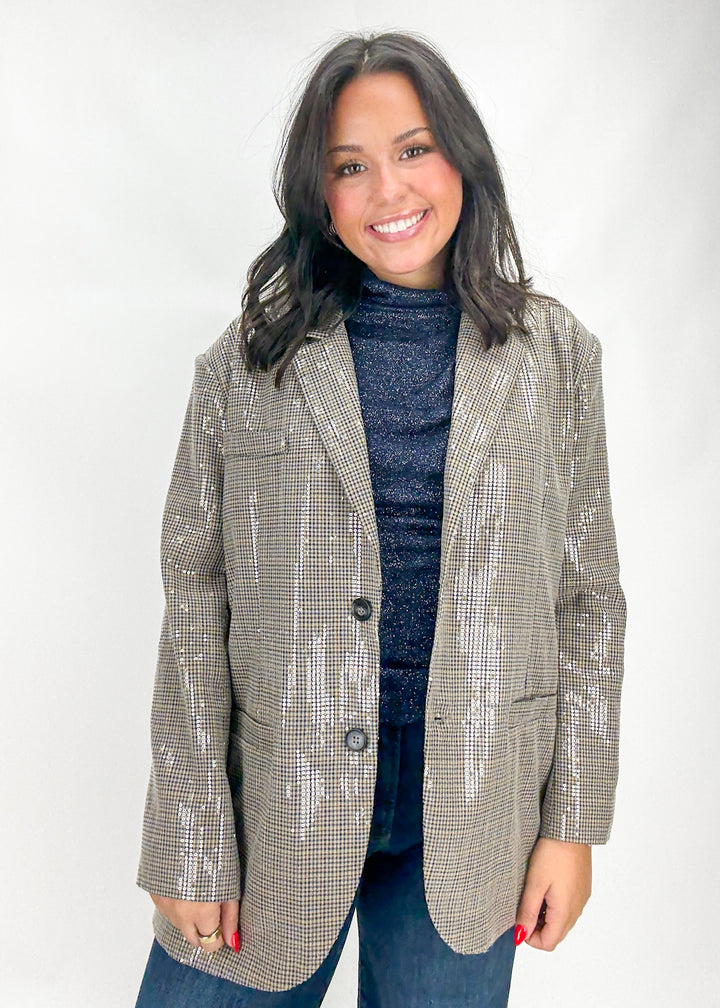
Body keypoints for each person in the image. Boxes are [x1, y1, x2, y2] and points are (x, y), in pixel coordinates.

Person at [135, 31, 626, 1008]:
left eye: (412, 150)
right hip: (276, 803)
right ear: (319, 197)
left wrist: (573, 825)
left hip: (477, 810)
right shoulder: (251, 361)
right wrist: (190, 831)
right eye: (349, 169)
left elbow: (588, 600)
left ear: (461, 157)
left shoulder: (555, 355)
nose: (389, 192)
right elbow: (195, 597)